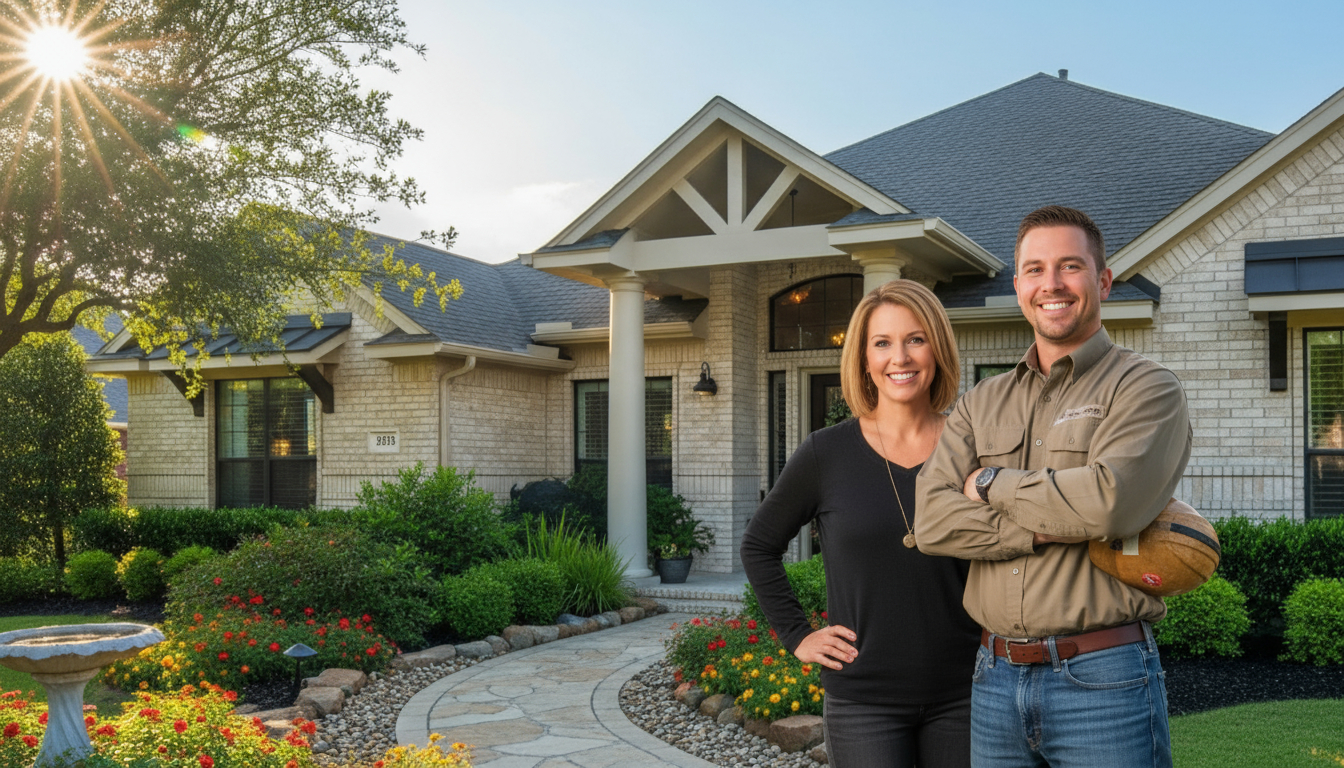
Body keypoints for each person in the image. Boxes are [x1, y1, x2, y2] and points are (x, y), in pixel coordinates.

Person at [915, 205, 1192, 768]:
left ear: (1104, 281)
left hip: (1103, 679)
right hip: (993, 678)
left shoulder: (1146, 389)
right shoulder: (980, 401)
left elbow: (1109, 504)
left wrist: (987, 481)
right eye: (1035, 269)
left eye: (1070, 266)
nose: (1052, 284)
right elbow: (931, 521)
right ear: (1018, 285)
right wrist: (1047, 527)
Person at [741, 279, 981, 768]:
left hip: (968, 693)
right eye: (882, 343)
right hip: (863, 700)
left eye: (916, 339)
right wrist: (797, 635)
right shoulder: (825, 454)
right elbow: (758, 546)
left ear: (937, 347)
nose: (901, 357)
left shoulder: (973, 447)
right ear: (865, 358)